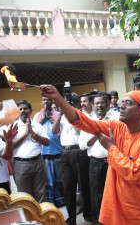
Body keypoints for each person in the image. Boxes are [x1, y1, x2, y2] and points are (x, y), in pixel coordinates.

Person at [41, 85, 140, 225]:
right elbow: (84, 121)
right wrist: (58, 98)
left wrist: (111, 149)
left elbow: (135, 173)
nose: (122, 106)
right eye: (122, 102)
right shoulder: (117, 127)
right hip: (118, 207)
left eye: (128, 103)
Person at [78, 93, 119, 225]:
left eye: (102, 103)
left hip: (114, 162)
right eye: (97, 103)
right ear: (93, 105)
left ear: (107, 104)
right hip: (96, 163)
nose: (100, 105)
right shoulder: (87, 122)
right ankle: (99, 222)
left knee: (116, 194)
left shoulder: (116, 119)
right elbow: (83, 145)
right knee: (97, 196)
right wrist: (97, 133)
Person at [52, 93, 92, 225]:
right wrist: (60, 116)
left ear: (76, 105)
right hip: (65, 152)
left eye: (68, 104)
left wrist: (73, 118)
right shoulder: (61, 116)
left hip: (79, 152)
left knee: (83, 184)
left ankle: (88, 216)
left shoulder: (81, 115)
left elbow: (82, 132)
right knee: (68, 187)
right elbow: (54, 131)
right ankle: (71, 218)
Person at [13, 100, 50, 203]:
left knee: (41, 194)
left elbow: (47, 142)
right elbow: (11, 145)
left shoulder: (37, 126)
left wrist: (32, 132)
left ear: (31, 111)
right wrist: (25, 133)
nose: (23, 111)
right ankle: (29, 219)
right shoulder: (13, 126)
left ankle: (41, 219)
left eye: (25, 108)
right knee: (25, 197)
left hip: (37, 162)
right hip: (20, 164)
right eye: (20, 109)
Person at [33, 97, 65, 207]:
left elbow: (61, 128)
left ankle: (61, 200)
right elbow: (34, 130)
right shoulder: (37, 116)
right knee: (48, 178)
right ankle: (51, 201)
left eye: (48, 100)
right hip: (44, 152)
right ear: (41, 102)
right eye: (44, 100)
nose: (46, 101)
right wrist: (42, 118)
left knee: (59, 177)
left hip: (58, 150)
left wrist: (50, 118)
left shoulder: (58, 114)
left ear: (52, 102)